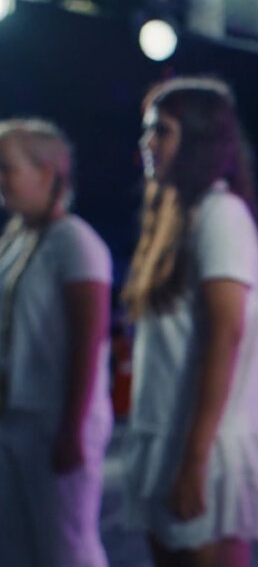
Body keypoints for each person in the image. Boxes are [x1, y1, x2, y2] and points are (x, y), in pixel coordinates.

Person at [120, 77, 258, 567]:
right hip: (172, 435)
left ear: (198, 140)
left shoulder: (220, 213)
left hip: (205, 445)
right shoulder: (180, 216)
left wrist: (194, 461)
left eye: (162, 130)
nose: (147, 142)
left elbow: (224, 338)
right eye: (148, 130)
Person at [0, 119, 112, 566]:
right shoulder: (16, 239)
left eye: (7, 168)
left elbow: (90, 341)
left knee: (65, 549)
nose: (0, 180)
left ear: (46, 173)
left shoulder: (75, 242)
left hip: (54, 421)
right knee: (16, 549)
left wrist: (72, 428)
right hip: (15, 417)